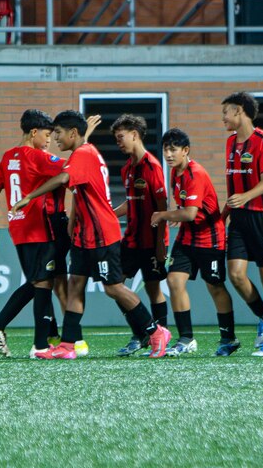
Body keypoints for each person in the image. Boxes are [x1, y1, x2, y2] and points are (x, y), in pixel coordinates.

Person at [12, 110, 171, 360]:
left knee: (113, 288)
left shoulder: (84, 153)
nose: (55, 138)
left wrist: (29, 196)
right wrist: (73, 224)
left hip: (101, 235)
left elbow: (64, 178)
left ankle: (156, 331)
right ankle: (68, 345)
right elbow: (77, 192)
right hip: (83, 236)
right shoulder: (83, 152)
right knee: (75, 285)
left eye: (59, 133)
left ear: (73, 133)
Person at [0, 109, 98, 358]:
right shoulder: (39, 157)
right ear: (33, 132)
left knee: (47, 280)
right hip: (43, 228)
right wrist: (84, 136)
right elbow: (75, 167)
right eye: (46, 135)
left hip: (18, 228)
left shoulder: (8, 157)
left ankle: (59, 337)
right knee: (43, 281)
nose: (49, 141)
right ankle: (29, 339)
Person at [151, 129, 238, 356]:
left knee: (215, 286)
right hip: (187, 237)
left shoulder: (195, 173)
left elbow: (190, 213)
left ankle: (228, 338)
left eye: (173, 150)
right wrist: (176, 214)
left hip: (210, 238)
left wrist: (163, 215)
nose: (168, 154)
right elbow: (186, 210)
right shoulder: (175, 172)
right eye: (165, 150)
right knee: (174, 281)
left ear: (186, 150)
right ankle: (186, 338)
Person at [221, 92, 263, 357]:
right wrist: (223, 215)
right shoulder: (230, 142)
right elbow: (232, 186)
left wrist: (244, 197)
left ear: (239, 110)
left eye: (226, 112)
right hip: (239, 218)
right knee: (236, 274)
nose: (223, 118)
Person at [110, 114, 170, 357]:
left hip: (151, 242)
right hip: (131, 240)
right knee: (114, 286)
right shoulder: (127, 168)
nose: (118, 143)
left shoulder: (152, 167)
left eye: (120, 137)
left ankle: (160, 336)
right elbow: (131, 202)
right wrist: (110, 214)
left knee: (154, 290)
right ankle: (141, 333)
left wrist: (161, 244)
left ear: (134, 134)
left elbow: (162, 207)